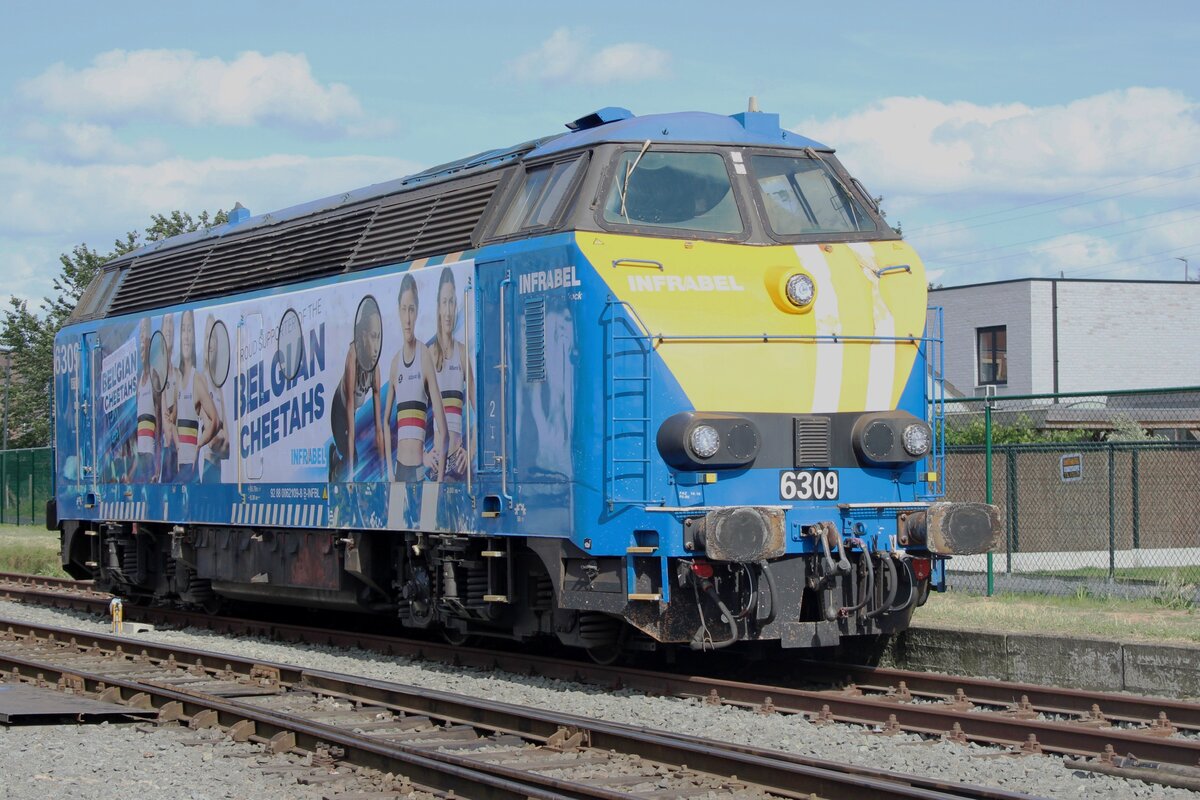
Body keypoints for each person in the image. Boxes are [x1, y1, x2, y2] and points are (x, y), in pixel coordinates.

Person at [389, 274, 447, 511]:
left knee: (420, 517)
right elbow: (385, 422)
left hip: (418, 472)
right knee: (397, 520)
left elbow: (442, 428)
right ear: (398, 311)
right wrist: (388, 473)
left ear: (418, 310)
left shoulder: (424, 357)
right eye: (404, 309)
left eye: (412, 309)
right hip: (399, 468)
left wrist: (440, 482)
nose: (408, 318)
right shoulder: (394, 363)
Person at [329, 296, 386, 482]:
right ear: (362, 336)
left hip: (351, 412)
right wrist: (352, 478)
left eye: (379, 337)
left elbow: (379, 429)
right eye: (372, 336)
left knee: (357, 459)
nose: (376, 346)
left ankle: (342, 463)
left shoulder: (375, 369)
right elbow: (350, 408)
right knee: (352, 462)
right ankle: (335, 464)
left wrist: (384, 472)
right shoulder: (352, 357)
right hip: (340, 410)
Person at [173, 309, 222, 482]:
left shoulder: (197, 380)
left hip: (192, 467)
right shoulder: (178, 380)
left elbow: (214, 421)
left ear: (194, 337)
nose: (186, 336)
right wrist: (178, 444)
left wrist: (198, 445)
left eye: (190, 330)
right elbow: (173, 420)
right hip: (179, 464)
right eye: (183, 330)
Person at [198, 317, 230, 484]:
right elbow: (211, 441)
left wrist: (220, 436)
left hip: (218, 472)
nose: (210, 343)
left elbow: (228, 448)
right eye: (207, 337)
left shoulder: (219, 387)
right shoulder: (200, 383)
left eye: (214, 338)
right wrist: (219, 435)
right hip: (207, 469)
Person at [131, 317, 158, 483]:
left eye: (145, 339)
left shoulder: (154, 377)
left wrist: (157, 466)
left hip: (151, 454)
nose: (142, 345)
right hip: (141, 453)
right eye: (140, 339)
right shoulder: (138, 381)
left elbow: (160, 422)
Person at [158, 313, 179, 483]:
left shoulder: (178, 373)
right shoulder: (158, 375)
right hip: (168, 455)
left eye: (172, 324)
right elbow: (168, 429)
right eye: (166, 324)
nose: (169, 329)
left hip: (179, 453)